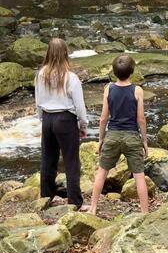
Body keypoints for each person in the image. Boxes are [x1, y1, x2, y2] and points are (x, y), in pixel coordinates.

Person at [83, 55, 149, 215]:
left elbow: (103, 118)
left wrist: (101, 139)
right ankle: (145, 213)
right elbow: (141, 119)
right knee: (139, 176)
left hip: (112, 135)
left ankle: (92, 208)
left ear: (113, 72)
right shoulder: (137, 90)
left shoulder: (109, 88)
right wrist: (144, 141)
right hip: (132, 135)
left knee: (102, 172)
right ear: (132, 72)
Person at [35, 38, 88, 209]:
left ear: (48, 53)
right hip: (65, 119)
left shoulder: (41, 74)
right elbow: (79, 105)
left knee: (48, 158)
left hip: (48, 118)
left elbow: (38, 101)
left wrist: (42, 119)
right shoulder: (71, 77)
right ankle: (75, 201)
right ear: (65, 53)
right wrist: (83, 125)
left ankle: (46, 196)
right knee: (71, 160)